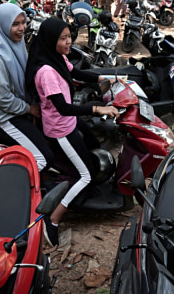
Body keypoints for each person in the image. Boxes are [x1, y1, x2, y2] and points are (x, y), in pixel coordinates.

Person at [25, 17, 119, 247]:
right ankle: (54, 219)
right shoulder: (46, 72)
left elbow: (76, 73)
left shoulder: (58, 58)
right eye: (63, 38)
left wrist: (107, 78)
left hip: (70, 123)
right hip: (60, 129)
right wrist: (97, 108)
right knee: (86, 175)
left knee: (92, 143)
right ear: (50, 40)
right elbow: (63, 107)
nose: (69, 42)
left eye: (69, 37)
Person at [0, 3, 54, 173]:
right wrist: (29, 109)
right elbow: (2, 98)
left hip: (19, 111)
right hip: (4, 118)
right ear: (3, 25)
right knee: (43, 158)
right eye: (15, 24)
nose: (22, 28)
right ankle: (15, 195)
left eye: (23, 22)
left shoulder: (16, 45)